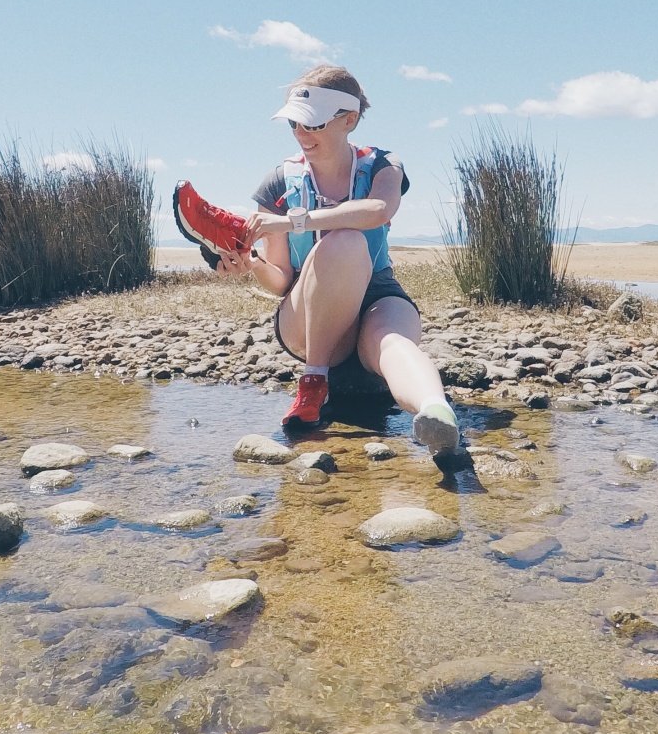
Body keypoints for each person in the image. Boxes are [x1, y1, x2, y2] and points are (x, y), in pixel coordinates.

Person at [172, 65, 461, 459]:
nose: (300, 134)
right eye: (294, 124)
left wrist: (296, 220)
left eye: (312, 124)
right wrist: (251, 262)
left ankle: (436, 414)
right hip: (308, 320)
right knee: (341, 244)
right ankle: (313, 381)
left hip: (376, 296)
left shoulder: (381, 165)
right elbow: (280, 281)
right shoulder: (278, 183)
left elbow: (378, 209)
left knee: (391, 338)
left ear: (350, 120)